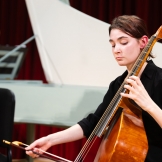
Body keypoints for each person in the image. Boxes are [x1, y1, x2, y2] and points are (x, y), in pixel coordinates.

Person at [26, 15, 162, 162]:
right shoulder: (118, 84)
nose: (116, 50)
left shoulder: (159, 80)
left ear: (143, 42)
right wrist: (50, 140)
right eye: (113, 44)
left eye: (123, 42)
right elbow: (93, 123)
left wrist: (148, 104)